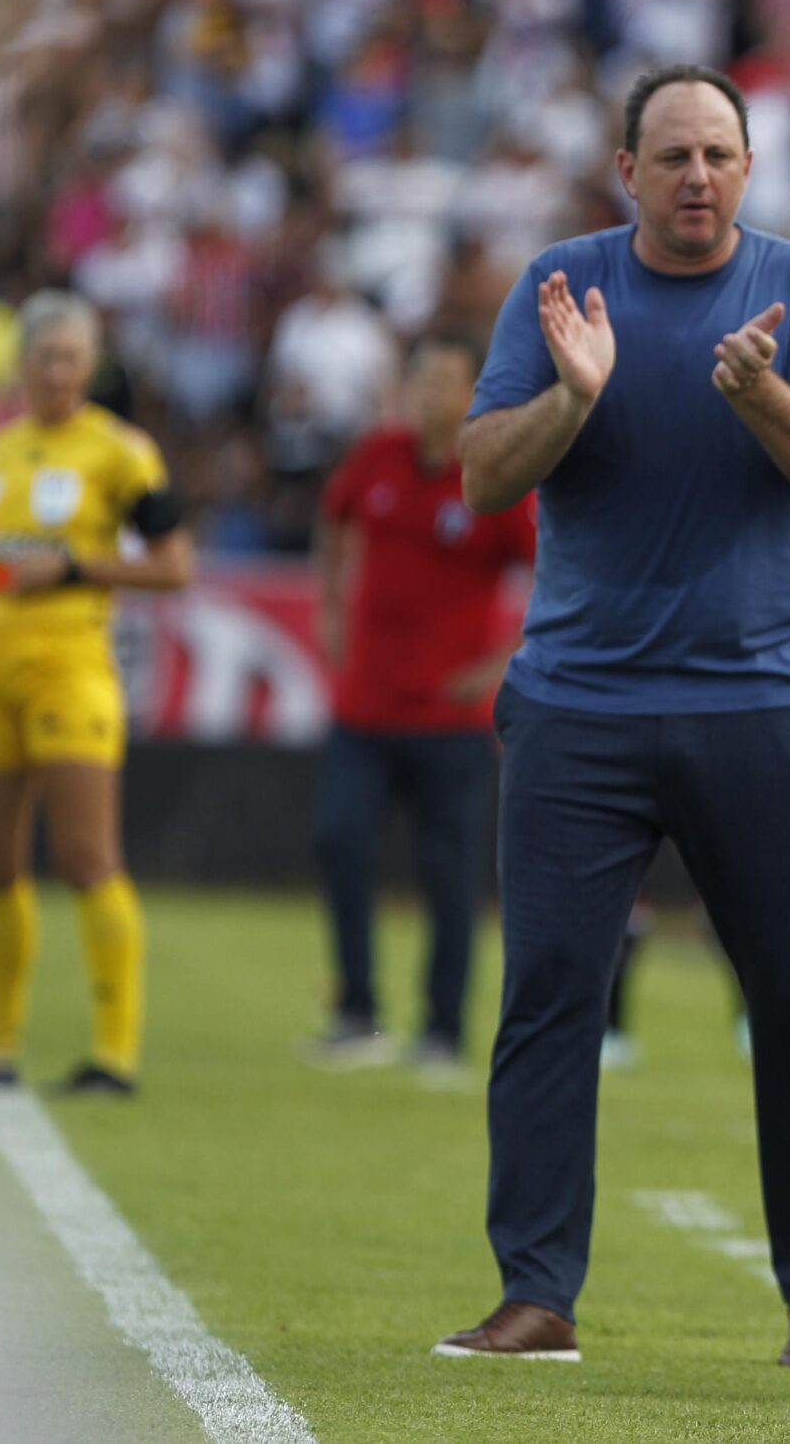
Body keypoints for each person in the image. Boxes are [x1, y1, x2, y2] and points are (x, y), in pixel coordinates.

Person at [432, 64, 790, 1368]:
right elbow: (479, 475)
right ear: (624, 170)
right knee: (550, 992)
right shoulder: (560, 287)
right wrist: (572, 394)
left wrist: (760, 394)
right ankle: (537, 1293)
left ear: (750, 169)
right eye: (672, 154)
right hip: (581, 702)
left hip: (766, 699)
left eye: (720, 154)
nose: (698, 176)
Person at [0, 291, 193, 1095]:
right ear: (19, 364)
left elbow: (174, 565)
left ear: (89, 366)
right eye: (43, 357)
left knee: (86, 856)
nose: (56, 372)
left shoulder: (122, 452)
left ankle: (114, 1055)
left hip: (70, 666)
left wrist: (76, 569)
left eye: (71, 358)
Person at [309, 330, 535, 1073]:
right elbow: (333, 520)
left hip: (450, 717)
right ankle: (356, 1013)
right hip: (365, 705)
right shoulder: (377, 455)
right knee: (340, 840)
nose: (433, 394)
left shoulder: (492, 475)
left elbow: (552, 572)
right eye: (423, 381)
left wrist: (500, 662)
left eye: (448, 381)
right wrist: (333, 608)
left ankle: (441, 1030)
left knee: (451, 874)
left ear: (473, 394)